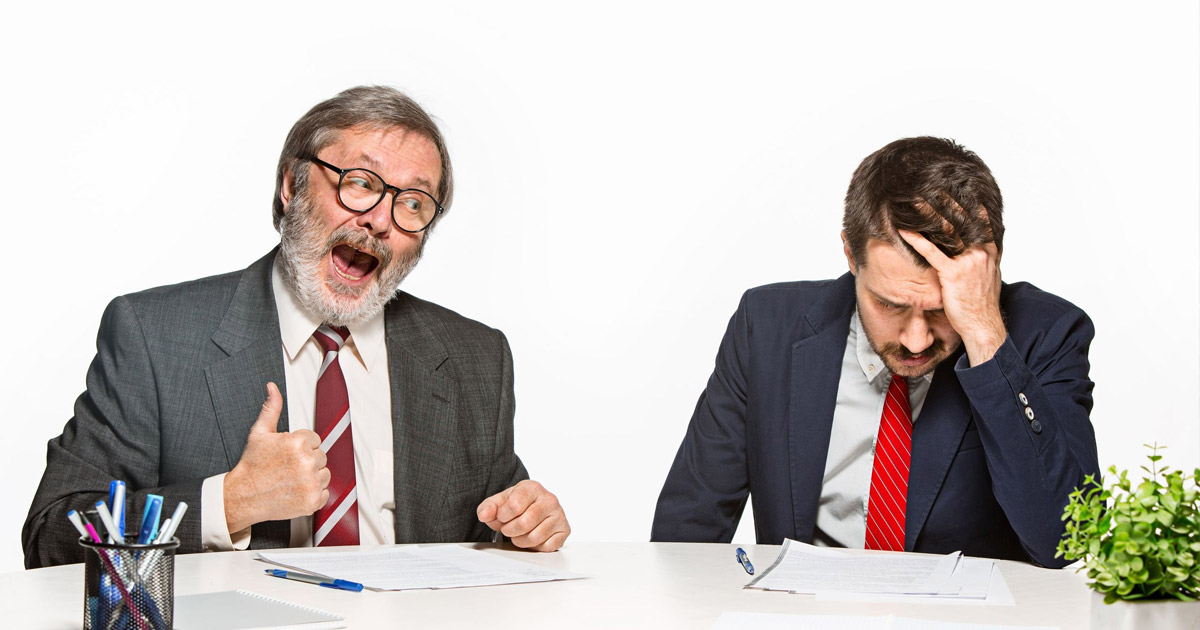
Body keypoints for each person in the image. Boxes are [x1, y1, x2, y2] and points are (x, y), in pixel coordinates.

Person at [24, 86, 570, 568]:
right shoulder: (154, 335)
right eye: (359, 183)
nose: (380, 219)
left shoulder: (475, 356)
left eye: (412, 202)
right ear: (291, 185)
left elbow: (489, 536)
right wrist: (230, 501)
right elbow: (52, 536)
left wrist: (523, 526)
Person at [650, 137, 1098, 568]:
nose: (917, 341)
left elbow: (1064, 542)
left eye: (943, 310)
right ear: (850, 253)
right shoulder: (767, 326)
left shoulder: (1048, 333)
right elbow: (687, 535)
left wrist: (983, 334)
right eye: (890, 304)